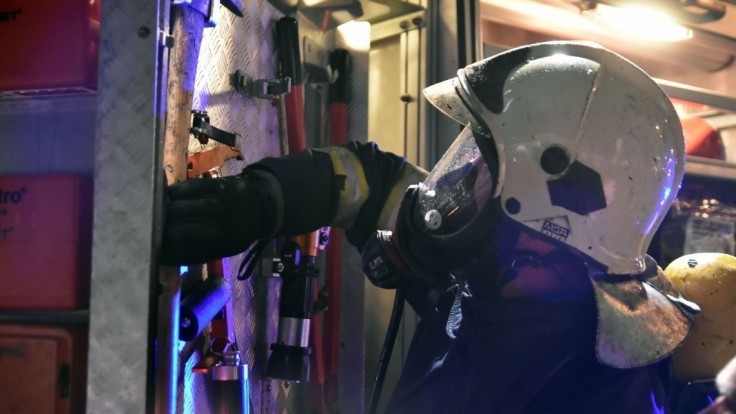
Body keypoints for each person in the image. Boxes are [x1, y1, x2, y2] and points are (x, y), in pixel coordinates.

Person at [162, 41, 700, 413]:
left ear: (542, 219)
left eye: (482, 171)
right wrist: (265, 199)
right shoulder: (498, 285)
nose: (458, 184)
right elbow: (372, 182)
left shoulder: (598, 396)